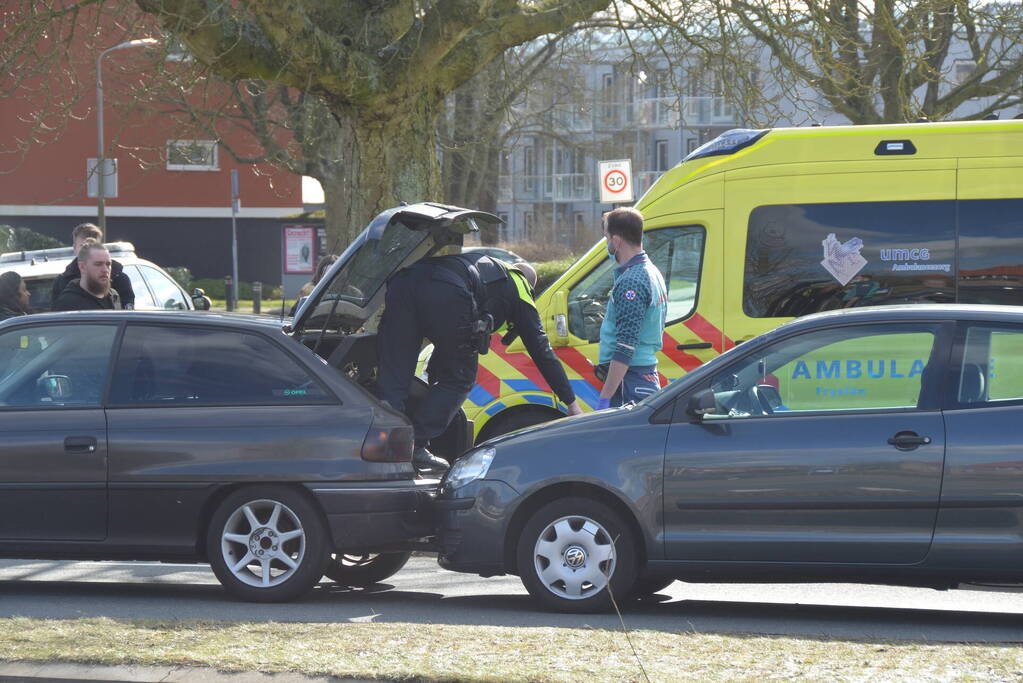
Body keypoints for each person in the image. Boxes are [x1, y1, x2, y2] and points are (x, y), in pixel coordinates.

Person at [376, 252, 583, 472]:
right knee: (460, 378)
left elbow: (446, 343)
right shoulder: (520, 284)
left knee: (395, 374)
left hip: (403, 281)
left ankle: (385, 443)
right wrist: (571, 403)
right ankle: (413, 445)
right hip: (446, 291)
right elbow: (541, 350)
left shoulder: (485, 267)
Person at [595, 207, 668, 410]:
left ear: (616, 241)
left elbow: (625, 347)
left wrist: (605, 396)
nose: (607, 243)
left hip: (630, 380)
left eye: (607, 237)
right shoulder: (651, 271)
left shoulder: (632, 282)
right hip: (640, 376)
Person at [50, 222, 135, 309]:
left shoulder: (119, 280)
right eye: (83, 246)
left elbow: (127, 314)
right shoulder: (63, 283)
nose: (105, 269)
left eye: (94, 245)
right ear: (74, 248)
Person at [52, 242, 123, 311]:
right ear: (82, 267)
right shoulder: (68, 304)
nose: (105, 270)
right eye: (98, 264)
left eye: (108, 264)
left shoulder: (114, 296)